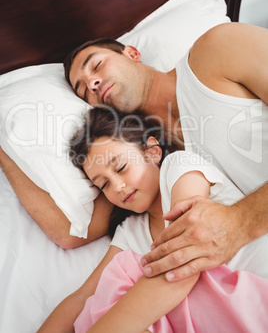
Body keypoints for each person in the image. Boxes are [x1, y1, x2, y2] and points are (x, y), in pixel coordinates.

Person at [64, 22, 268, 280]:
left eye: (96, 65)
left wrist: (239, 222)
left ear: (132, 53)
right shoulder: (152, 164)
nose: (92, 83)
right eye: (83, 91)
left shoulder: (217, 50)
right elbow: (70, 234)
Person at [39, 107, 268, 332]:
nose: (118, 187)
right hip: (217, 317)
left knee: (125, 275)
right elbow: (81, 298)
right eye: (104, 184)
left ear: (152, 152)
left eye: (121, 167)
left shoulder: (179, 167)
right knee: (106, 291)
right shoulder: (130, 230)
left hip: (255, 295)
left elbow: (183, 263)